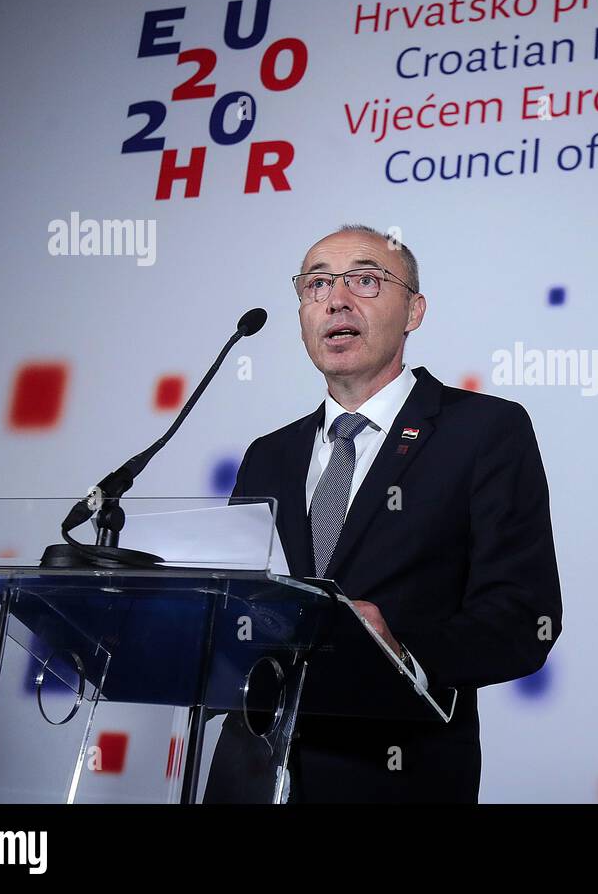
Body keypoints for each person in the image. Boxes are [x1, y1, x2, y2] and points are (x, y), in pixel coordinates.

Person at [204, 224, 562, 803]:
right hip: (247, 777)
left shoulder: (483, 430)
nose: (336, 299)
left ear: (414, 311)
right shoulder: (268, 455)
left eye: (365, 280)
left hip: (395, 779)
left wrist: (398, 648)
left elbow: (524, 619)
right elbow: (237, 610)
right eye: (316, 285)